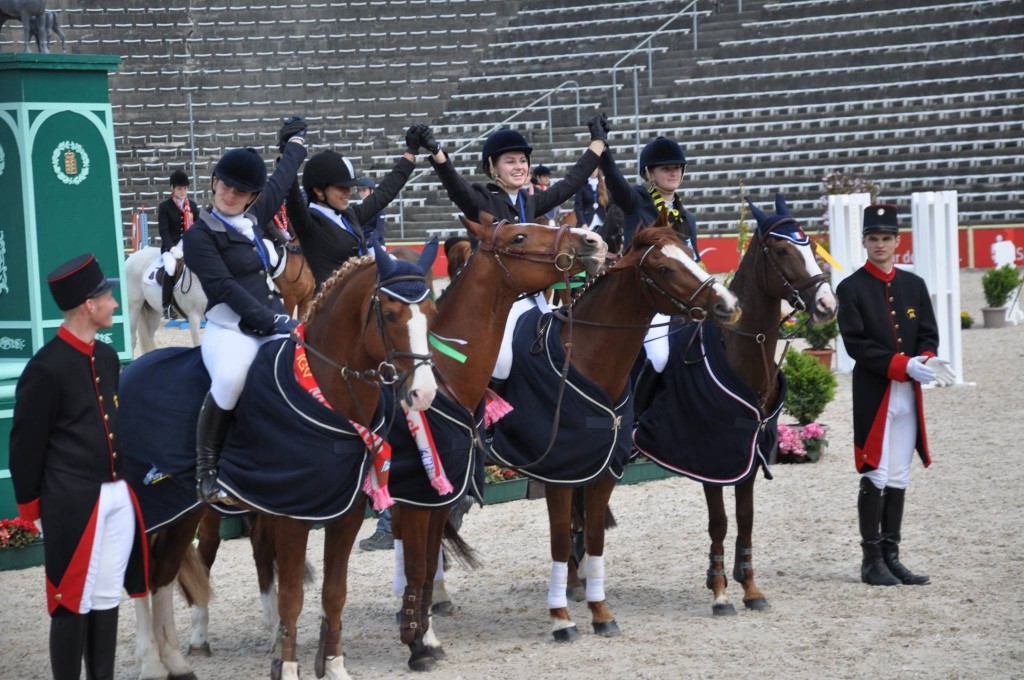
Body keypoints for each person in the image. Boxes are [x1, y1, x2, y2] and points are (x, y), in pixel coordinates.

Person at [10, 254, 149, 680]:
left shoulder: (106, 358)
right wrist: (32, 508)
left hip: (114, 494)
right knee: (71, 599)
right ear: (89, 306)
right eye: (107, 296)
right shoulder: (45, 368)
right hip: (72, 501)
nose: (113, 303)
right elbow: (25, 445)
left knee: (107, 596)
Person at [413, 115, 610, 380]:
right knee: (504, 366)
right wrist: (437, 153)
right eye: (509, 161)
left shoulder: (529, 202)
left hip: (532, 298)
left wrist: (597, 143)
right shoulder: (483, 199)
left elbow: (570, 183)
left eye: (522, 160)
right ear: (493, 168)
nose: (519, 166)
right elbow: (456, 188)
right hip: (495, 304)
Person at [185, 117, 308, 504]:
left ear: (252, 196)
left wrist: (295, 145)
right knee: (232, 377)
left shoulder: (253, 219)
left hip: (272, 322)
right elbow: (224, 287)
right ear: (214, 182)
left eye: (241, 191)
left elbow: (281, 179)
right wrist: (274, 321)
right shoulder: (199, 236)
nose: (231, 194)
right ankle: (207, 473)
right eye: (226, 185)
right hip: (231, 328)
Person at [835, 204, 956, 586]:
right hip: (876, 391)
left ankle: (892, 554)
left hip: (909, 395)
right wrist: (903, 364)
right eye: (874, 238)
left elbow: (928, 333)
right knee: (875, 471)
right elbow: (857, 344)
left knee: (900, 475)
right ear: (865, 242)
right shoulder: (850, 287)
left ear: (898, 241)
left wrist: (926, 359)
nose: (880, 245)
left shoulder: (913, 285)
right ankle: (871, 560)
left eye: (887, 238)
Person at [286, 133, 417, 289]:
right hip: (332, 306)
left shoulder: (349, 215)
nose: (349, 192)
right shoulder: (308, 222)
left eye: (349, 187)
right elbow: (293, 199)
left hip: (362, 298)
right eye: (341, 187)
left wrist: (412, 151)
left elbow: (384, 193)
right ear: (319, 191)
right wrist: (289, 150)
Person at [600, 135, 699, 259]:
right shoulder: (636, 203)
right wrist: (602, 146)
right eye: (666, 168)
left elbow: (695, 262)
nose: (674, 173)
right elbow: (616, 182)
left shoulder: (688, 219)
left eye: (677, 167)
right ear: (649, 173)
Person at [157, 168, 199, 319]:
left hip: (189, 245)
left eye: (185, 188)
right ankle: (167, 306)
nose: (183, 191)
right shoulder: (165, 207)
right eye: (179, 188)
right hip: (172, 247)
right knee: (170, 268)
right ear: (173, 188)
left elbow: (198, 227)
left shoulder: (192, 206)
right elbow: (163, 231)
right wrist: (172, 248)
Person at [355, 176, 388, 246]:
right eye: (360, 190)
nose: (361, 193)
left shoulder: (379, 208)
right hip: (363, 243)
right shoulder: (359, 208)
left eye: (364, 190)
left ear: (371, 191)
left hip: (376, 244)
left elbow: (379, 229)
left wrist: (369, 242)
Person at [573, 167, 608, 231]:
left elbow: (608, 205)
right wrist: (583, 224)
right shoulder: (581, 186)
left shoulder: (604, 185)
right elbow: (578, 207)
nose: (593, 171)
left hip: (602, 220)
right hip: (587, 221)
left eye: (595, 169)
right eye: (591, 168)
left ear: (598, 170)